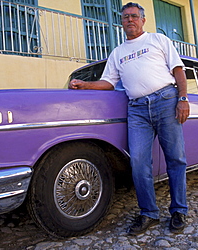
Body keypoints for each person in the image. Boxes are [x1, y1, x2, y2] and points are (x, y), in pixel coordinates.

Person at [68, 2, 189, 235]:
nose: (130, 20)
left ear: (143, 20)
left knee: (176, 158)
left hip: (166, 100)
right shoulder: (118, 53)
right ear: (121, 22)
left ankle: (179, 210)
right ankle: (149, 213)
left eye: (134, 16)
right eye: (125, 17)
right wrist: (85, 85)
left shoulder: (158, 40)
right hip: (137, 109)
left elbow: (178, 70)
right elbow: (109, 83)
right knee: (138, 163)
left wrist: (182, 99)